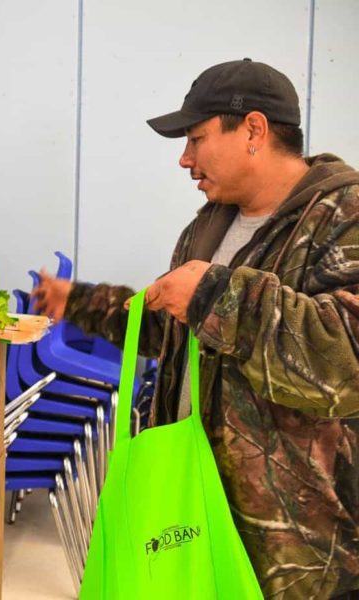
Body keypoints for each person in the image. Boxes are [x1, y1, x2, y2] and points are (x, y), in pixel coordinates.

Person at [34, 58, 359, 599]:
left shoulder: (343, 216)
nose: (185, 159)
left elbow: (346, 359)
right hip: (194, 517)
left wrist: (214, 294)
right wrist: (80, 301)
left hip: (298, 558)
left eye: (197, 138)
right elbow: (171, 331)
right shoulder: (208, 226)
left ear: (253, 130)